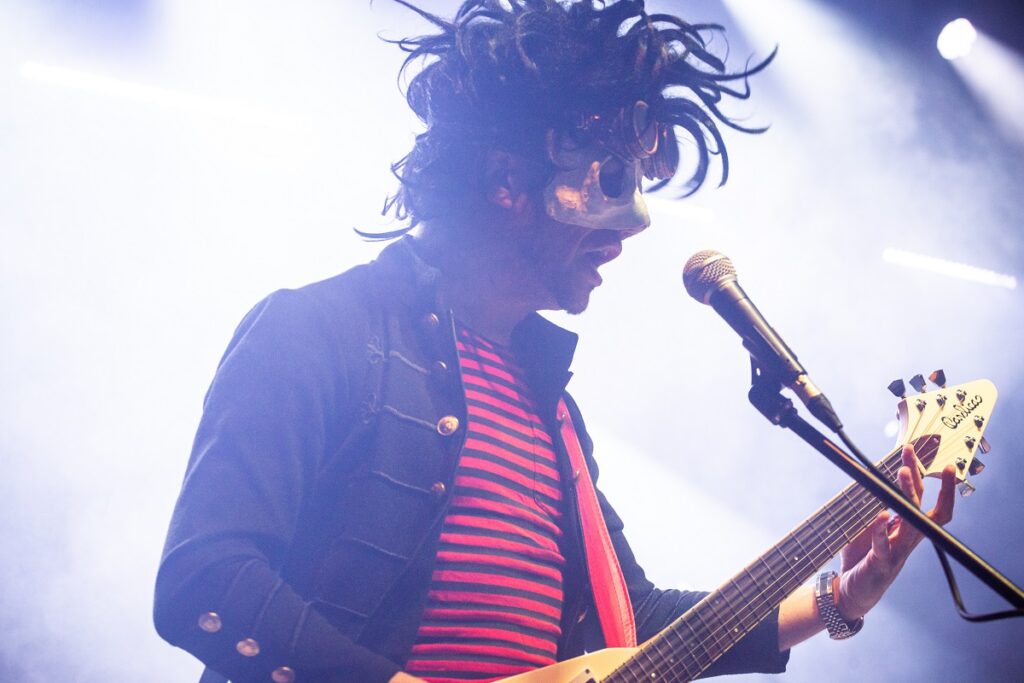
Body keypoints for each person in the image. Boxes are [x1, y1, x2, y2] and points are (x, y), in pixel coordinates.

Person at [154, 2, 956, 682]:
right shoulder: (318, 329)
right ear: (507, 181)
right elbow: (204, 578)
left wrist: (838, 598)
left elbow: (632, 621)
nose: (631, 230)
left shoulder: (552, 410)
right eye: (610, 180)